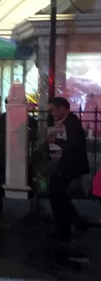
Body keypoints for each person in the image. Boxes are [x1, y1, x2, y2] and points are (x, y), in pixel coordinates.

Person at [46, 96, 90, 241]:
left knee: (56, 192)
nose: (52, 113)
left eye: (53, 110)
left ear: (61, 108)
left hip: (71, 164)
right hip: (65, 163)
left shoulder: (72, 123)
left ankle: (64, 230)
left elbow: (74, 144)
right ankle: (76, 223)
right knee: (59, 193)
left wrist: (55, 141)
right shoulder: (63, 122)